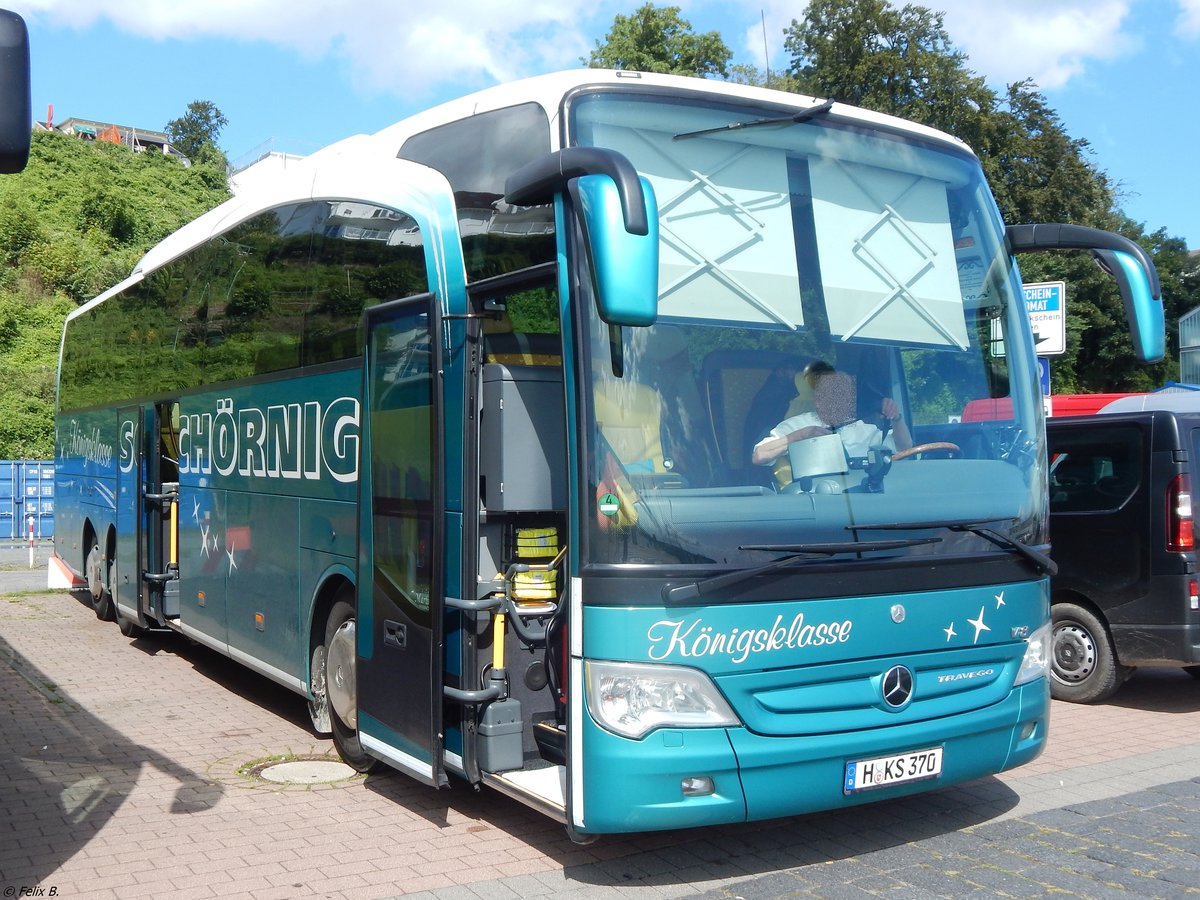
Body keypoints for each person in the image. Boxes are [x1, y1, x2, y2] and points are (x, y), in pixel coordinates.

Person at [751, 362, 912, 482]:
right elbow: (759, 456)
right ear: (818, 398)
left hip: (861, 503)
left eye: (844, 394)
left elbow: (905, 448)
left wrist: (896, 418)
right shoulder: (797, 424)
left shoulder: (864, 429)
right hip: (814, 504)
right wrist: (801, 436)